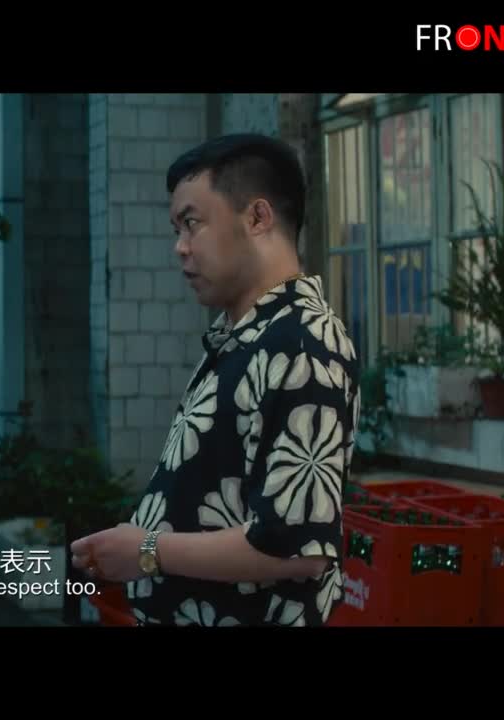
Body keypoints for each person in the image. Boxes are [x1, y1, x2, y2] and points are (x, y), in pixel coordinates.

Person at [70, 134, 359, 627]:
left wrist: (147, 550)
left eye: (192, 223)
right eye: (176, 228)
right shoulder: (245, 335)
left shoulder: (302, 343)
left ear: (258, 217)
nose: (180, 247)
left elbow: (297, 547)